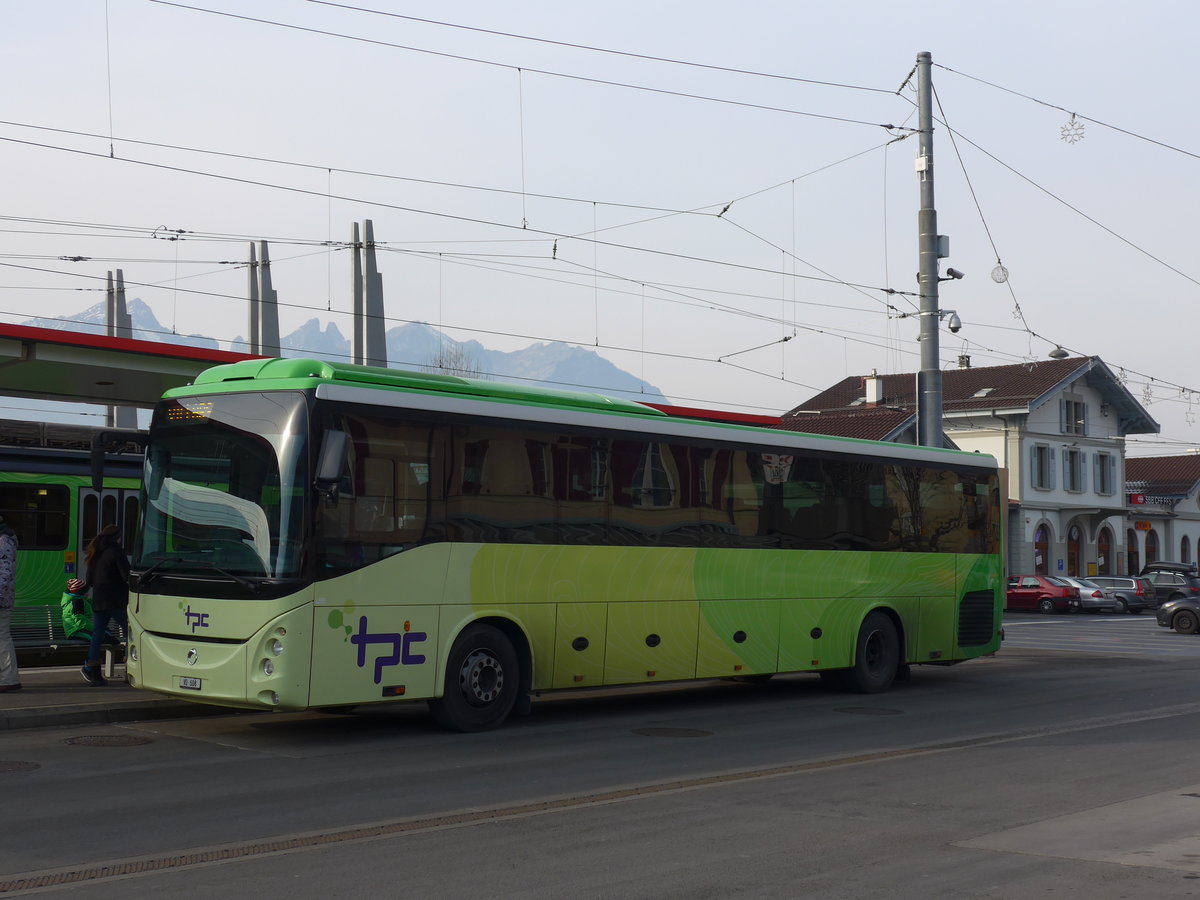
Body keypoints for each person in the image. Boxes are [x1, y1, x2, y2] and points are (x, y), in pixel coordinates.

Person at [70, 524, 130, 687]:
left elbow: (89, 580)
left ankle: (91, 667)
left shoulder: (95, 553)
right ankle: (130, 666)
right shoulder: (116, 551)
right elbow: (126, 575)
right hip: (116, 600)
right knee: (130, 633)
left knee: (97, 635)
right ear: (117, 537)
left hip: (99, 601)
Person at [0, 515, 19, 693]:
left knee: (2, 639)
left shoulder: (3, 541)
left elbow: (4, 575)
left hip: (1, 601)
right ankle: (7, 678)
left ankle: (9, 679)